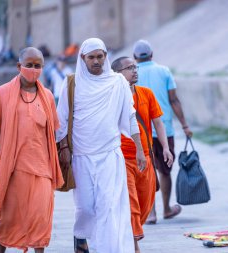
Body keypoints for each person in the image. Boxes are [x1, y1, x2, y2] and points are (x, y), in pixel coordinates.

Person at [56, 38, 145, 253]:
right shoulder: (71, 83)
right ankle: (81, 236)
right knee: (86, 208)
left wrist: (140, 150)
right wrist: (64, 149)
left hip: (110, 155)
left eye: (100, 56)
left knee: (108, 207)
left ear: (106, 57)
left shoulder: (118, 83)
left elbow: (130, 117)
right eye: (91, 57)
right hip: (81, 156)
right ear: (83, 59)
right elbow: (61, 121)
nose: (96, 61)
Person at [0, 47, 64, 253]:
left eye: (38, 66)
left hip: (42, 169)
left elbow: (53, 133)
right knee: (9, 220)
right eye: (29, 65)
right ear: (19, 66)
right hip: (13, 170)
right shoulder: (1, 93)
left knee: (40, 218)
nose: (33, 69)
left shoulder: (47, 96)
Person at [111, 56, 174, 253]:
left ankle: (132, 236)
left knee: (145, 203)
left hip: (146, 158)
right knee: (132, 205)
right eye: (129, 68)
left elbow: (157, 122)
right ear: (117, 74)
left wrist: (165, 147)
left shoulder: (146, 93)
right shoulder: (112, 97)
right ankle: (135, 246)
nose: (134, 70)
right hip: (122, 159)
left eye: (135, 67)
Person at [133, 39, 193, 224]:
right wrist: (184, 125)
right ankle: (166, 209)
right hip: (164, 129)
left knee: (147, 171)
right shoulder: (164, 71)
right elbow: (174, 100)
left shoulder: (131, 74)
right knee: (165, 171)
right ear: (152, 54)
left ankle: (151, 213)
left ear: (135, 58)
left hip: (140, 131)